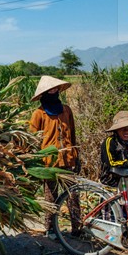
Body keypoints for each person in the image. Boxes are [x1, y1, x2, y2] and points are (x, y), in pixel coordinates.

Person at [29, 75, 80, 239]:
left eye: (55, 89)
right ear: (44, 93)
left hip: (68, 159)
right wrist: (33, 161)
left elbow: (72, 134)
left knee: (73, 194)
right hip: (49, 162)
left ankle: (77, 228)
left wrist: (76, 156)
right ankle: (50, 228)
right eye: (50, 89)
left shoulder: (66, 110)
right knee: (51, 196)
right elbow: (32, 139)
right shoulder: (39, 113)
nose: (53, 91)